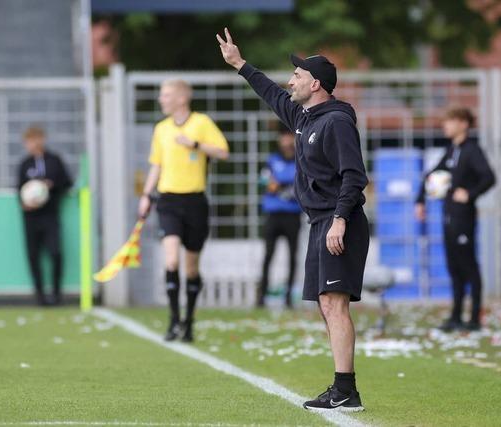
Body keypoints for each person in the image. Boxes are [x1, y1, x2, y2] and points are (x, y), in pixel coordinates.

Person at [217, 28, 369, 412]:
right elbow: (272, 94)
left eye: (298, 76)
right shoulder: (304, 117)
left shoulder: (336, 122)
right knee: (325, 303)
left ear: (316, 84)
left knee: (335, 304)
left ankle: (345, 389)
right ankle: (343, 387)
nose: (291, 81)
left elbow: (355, 176)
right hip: (320, 222)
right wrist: (240, 64)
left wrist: (339, 220)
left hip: (340, 222)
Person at [138, 79, 229, 342]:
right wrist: (146, 195)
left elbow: (223, 152)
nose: (161, 99)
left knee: (190, 267)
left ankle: (188, 321)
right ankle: (173, 320)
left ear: (181, 98)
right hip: (168, 201)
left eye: (165, 95)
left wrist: (195, 145)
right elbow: (156, 165)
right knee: (171, 260)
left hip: (195, 202)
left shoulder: (201, 123)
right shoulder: (161, 129)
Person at [415, 108, 495, 332]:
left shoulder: (472, 150)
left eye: (449, 122)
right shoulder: (452, 150)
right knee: (454, 267)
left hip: (464, 218)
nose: (445, 126)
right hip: (448, 217)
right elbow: (432, 175)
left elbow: (489, 177)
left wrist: (470, 193)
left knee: (469, 266)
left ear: (463, 124)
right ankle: (456, 316)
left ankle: (475, 317)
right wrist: (420, 200)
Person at [18, 126, 73, 306]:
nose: (29, 145)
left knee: (55, 253)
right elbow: (18, 190)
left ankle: (56, 293)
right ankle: (40, 296)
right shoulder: (25, 164)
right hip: (31, 218)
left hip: (50, 216)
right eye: (27, 141)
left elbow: (67, 182)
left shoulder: (54, 161)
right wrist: (25, 202)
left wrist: (50, 186)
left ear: (40, 139)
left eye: (32, 140)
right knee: (33, 256)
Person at [258, 127, 302, 308]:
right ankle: (260, 298)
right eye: (284, 137)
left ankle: (288, 298)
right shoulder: (272, 160)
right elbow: (266, 183)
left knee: (292, 257)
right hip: (273, 215)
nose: (287, 141)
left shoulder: (301, 161)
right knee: (268, 255)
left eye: (289, 137)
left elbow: (300, 188)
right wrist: (287, 189)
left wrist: (281, 188)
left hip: (293, 215)